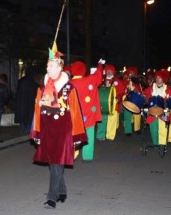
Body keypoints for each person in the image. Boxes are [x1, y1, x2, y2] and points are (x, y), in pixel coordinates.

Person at [30, 43, 87, 209]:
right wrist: (37, 133)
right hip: (48, 128)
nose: (48, 68)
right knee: (52, 161)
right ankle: (62, 190)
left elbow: (75, 111)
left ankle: (51, 198)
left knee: (56, 162)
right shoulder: (42, 88)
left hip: (63, 129)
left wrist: (77, 136)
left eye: (51, 65)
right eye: (47, 65)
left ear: (60, 67)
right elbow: (37, 112)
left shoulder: (69, 87)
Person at [70, 59, 104, 162]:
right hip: (88, 113)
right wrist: (100, 65)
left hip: (74, 114)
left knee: (72, 133)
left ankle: (71, 154)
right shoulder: (90, 80)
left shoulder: (68, 84)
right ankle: (87, 156)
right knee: (89, 133)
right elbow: (98, 75)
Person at [143, 69, 171, 145]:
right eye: (156, 77)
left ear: (163, 79)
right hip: (152, 112)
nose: (157, 79)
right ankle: (155, 144)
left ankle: (162, 144)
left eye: (159, 77)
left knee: (163, 128)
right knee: (153, 129)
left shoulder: (168, 89)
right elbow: (146, 96)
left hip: (163, 113)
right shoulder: (151, 88)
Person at [96, 64, 126, 141]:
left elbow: (122, 90)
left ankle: (110, 135)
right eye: (107, 71)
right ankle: (100, 135)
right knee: (102, 120)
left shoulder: (117, 81)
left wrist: (118, 97)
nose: (109, 72)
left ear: (113, 72)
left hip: (113, 104)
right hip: (103, 104)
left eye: (110, 71)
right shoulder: (101, 80)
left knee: (112, 120)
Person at [14, 66, 38, 134]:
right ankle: (28, 129)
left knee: (23, 115)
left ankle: (22, 129)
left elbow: (18, 92)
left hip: (22, 102)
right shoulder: (33, 82)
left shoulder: (22, 81)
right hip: (30, 102)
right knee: (29, 115)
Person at [122, 66, 143, 136]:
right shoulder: (125, 81)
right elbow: (123, 90)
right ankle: (128, 131)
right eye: (130, 73)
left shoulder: (137, 82)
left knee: (137, 114)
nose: (131, 74)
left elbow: (140, 91)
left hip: (135, 100)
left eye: (132, 73)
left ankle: (137, 129)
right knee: (127, 115)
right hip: (127, 99)